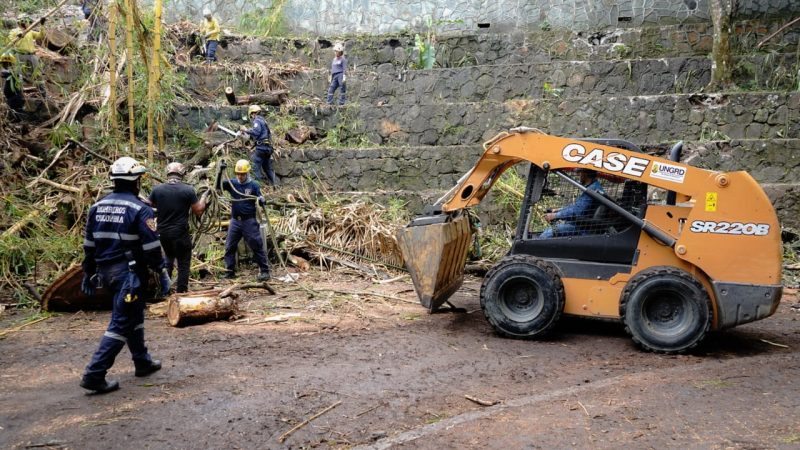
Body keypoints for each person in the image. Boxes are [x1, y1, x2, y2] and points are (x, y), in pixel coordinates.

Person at [80, 157, 171, 394]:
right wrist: (161, 271)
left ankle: (142, 361)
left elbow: (89, 245)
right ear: (136, 182)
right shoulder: (140, 209)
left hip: (106, 273)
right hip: (129, 275)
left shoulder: (96, 207)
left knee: (134, 315)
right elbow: (151, 247)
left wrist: (88, 271)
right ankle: (94, 374)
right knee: (121, 322)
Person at [148, 162, 209, 293]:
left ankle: (165, 289)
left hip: (163, 233)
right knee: (183, 262)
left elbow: (150, 205)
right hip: (180, 233)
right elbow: (198, 210)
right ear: (182, 174)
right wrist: (204, 198)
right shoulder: (188, 190)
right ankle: (181, 292)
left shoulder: (157, 190)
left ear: (168, 173)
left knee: (168, 259)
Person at [218, 159, 271, 281]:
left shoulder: (254, 185)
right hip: (235, 221)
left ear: (247, 173)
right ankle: (229, 271)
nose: (240, 176)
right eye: (238, 174)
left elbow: (259, 197)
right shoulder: (232, 184)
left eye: (242, 174)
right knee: (230, 246)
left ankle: (264, 271)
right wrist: (220, 171)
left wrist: (262, 200)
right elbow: (218, 187)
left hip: (249, 221)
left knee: (256, 245)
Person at [540, 169, 605, 238]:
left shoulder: (592, 190)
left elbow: (576, 212)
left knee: (547, 234)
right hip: (581, 225)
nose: (579, 175)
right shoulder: (594, 187)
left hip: (581, 228)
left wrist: (555, 215)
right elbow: (577, 206)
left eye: (580, 173)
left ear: (585, 174)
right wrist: (558, 210)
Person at [239, 104, 277, 186]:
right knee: (268, 169)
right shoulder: (263, 121)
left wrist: (246, 130)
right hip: (268, 148)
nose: (252, 117)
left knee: (255, 167)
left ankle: (259, 187)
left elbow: (256, 132)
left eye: (251, 115)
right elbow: (262, 135)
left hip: (262, 148)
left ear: (253, 114)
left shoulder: (257, 120)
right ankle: (276, 186)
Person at [8, 15, 45, 81]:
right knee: (19, 74)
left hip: (31, 54)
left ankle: (42, 90)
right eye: (26, 22)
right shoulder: (13, 31)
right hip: (19, 55)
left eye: (28, 22)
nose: (28, 23)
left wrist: (42, 25)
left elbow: (41, 36)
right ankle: (20, 90)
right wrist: (18, 37)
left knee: (38, 73)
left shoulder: (30, 31)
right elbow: (10, 43)